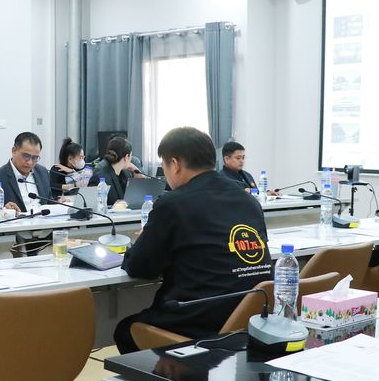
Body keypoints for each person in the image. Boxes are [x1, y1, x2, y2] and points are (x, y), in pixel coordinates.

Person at [115, 127, 273, 354]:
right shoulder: (248, 200)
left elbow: (140, 267)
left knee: (125, 330)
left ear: (175, 164)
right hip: (251, 316)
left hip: (200, 319)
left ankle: (172, 375)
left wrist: (143, 241)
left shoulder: (173, 204)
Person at [0, 132, 53, 213]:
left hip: (44, 220)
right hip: (17, 220)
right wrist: (4, 210)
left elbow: (49, 201)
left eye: (35, 158)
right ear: (14, 150)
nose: (30, 162)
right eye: (26, 156)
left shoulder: (43, 172)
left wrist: (60, 202)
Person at [90, 136, 145, 206]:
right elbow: (93, 206)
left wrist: (136, 172)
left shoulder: (125, 175)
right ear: (126, 157)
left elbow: (134, 199)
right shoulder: (99, 177)